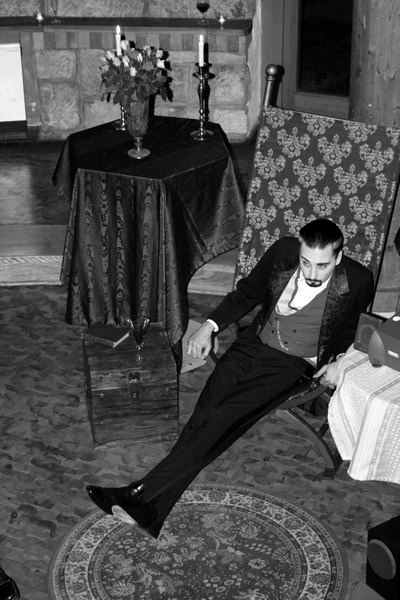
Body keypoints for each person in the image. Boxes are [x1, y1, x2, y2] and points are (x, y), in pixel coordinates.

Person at [86, 219, 374, 539]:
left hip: (292, 364)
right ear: (299, 250)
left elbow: (354, 333)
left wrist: (341, 363)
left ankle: (138, 492)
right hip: (254, 343)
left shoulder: (358, 279)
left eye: (322, 265)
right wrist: (209, 326)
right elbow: (247, 293)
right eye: (306, 262)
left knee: (221, 418)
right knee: (204, 418)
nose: (312, 273)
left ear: (338, 256)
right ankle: (152, 513)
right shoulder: (283, 252)